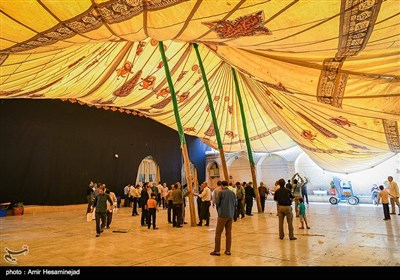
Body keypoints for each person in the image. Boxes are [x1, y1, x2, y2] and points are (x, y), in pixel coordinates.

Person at [210, 180, 237, 256]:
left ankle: (217, 251)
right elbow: (235, 203)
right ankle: (228, 251)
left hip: (222, 215)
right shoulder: (232, 193)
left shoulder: (221, 192)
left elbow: (217, 203)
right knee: (228, 233)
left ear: (222, 186)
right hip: (230, 215)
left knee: (218, 233)